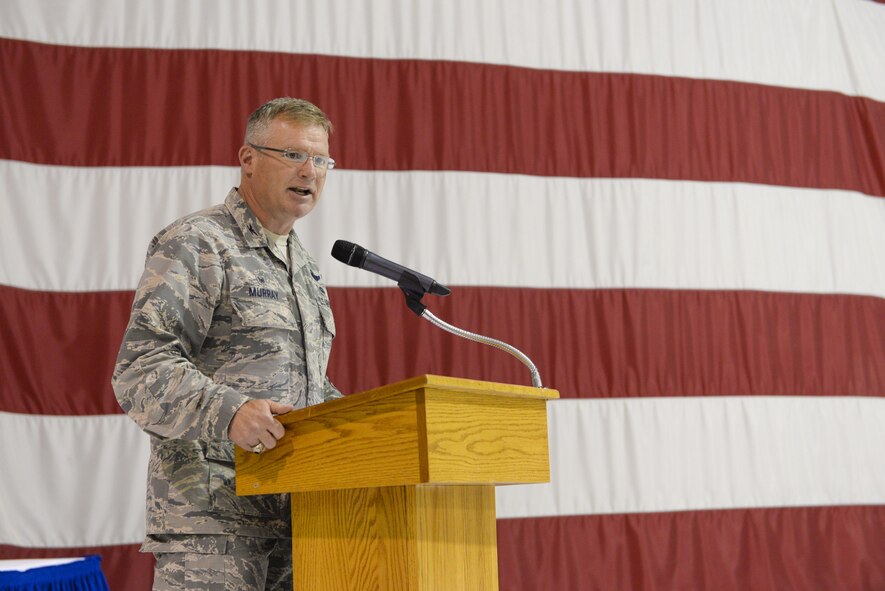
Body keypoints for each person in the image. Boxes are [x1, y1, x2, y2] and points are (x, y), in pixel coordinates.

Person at [113, 97, 343, 590]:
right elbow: (140, 369)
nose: (310, 171)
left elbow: (307, 387)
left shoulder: (303, 266)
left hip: (298, 523)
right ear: (248, 159)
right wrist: (230, 412)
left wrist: (366, 422)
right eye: (294, 155)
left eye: (321, 159)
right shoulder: (200, 241)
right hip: (212, 526)